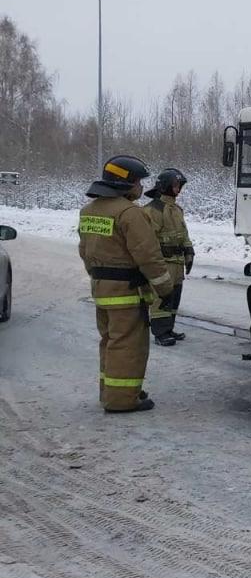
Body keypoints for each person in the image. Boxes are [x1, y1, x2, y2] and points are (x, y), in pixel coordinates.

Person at [78, 156, 176, 414]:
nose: (141, 187)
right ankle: (122, 400)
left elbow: (85, 252)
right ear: (126, 182)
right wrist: (166, 290)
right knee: (128, 346)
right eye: (138, 181)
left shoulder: (89, 210)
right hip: (127, 293)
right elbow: (149, 256)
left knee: (110, 342)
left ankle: (111, 392)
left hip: (101, 290)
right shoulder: (129, 213)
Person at [142, 167, 194, 347]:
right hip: (163, 262)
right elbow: (147, 239)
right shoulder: (152, 210)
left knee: (174, 296)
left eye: (180, 185)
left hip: (177, 263)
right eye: (175, 185)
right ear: (165, 186)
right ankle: (160, 332)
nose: (178, 189)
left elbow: (183, 234)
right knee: (161, 297)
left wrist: (189, 252)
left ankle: (169, 327)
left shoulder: (176, 209)